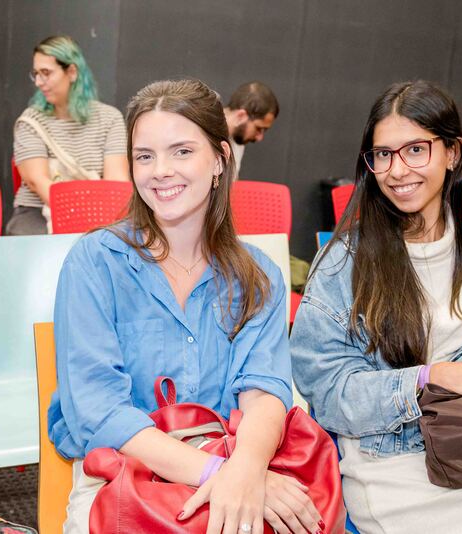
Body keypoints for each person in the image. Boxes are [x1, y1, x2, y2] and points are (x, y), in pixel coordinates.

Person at [49, 79, 322, 534]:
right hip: (123, 471)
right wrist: (220, 476)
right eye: (144, 156)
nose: (160, 171)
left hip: (231, 457)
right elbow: (99, 410)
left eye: (181, 151)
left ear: (219, 159)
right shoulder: (95, 262)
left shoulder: (259, 276)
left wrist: (247, 469)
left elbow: (264, 392)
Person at [291, 80, 462, 533]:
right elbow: (328, 393)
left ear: (452, 153)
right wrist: (430, 378)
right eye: (383, 155)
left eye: (415, 150)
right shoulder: (344, 263)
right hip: (398, 470)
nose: (397, 170)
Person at [6, 35, 129, 235]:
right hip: (37, 211)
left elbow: (117, 182)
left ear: (71, 72)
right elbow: (38, 181)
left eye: (46, 73)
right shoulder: (30, 121)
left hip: (98, 213)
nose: (38, 82)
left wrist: (96, 218)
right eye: (35, 74)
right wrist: (77, 217)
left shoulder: (109, 118)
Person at [223, 81, 279, 176]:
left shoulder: (238, 139)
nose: (259, 138)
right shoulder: (203, 135)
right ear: (241, 116)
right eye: (259, 128)